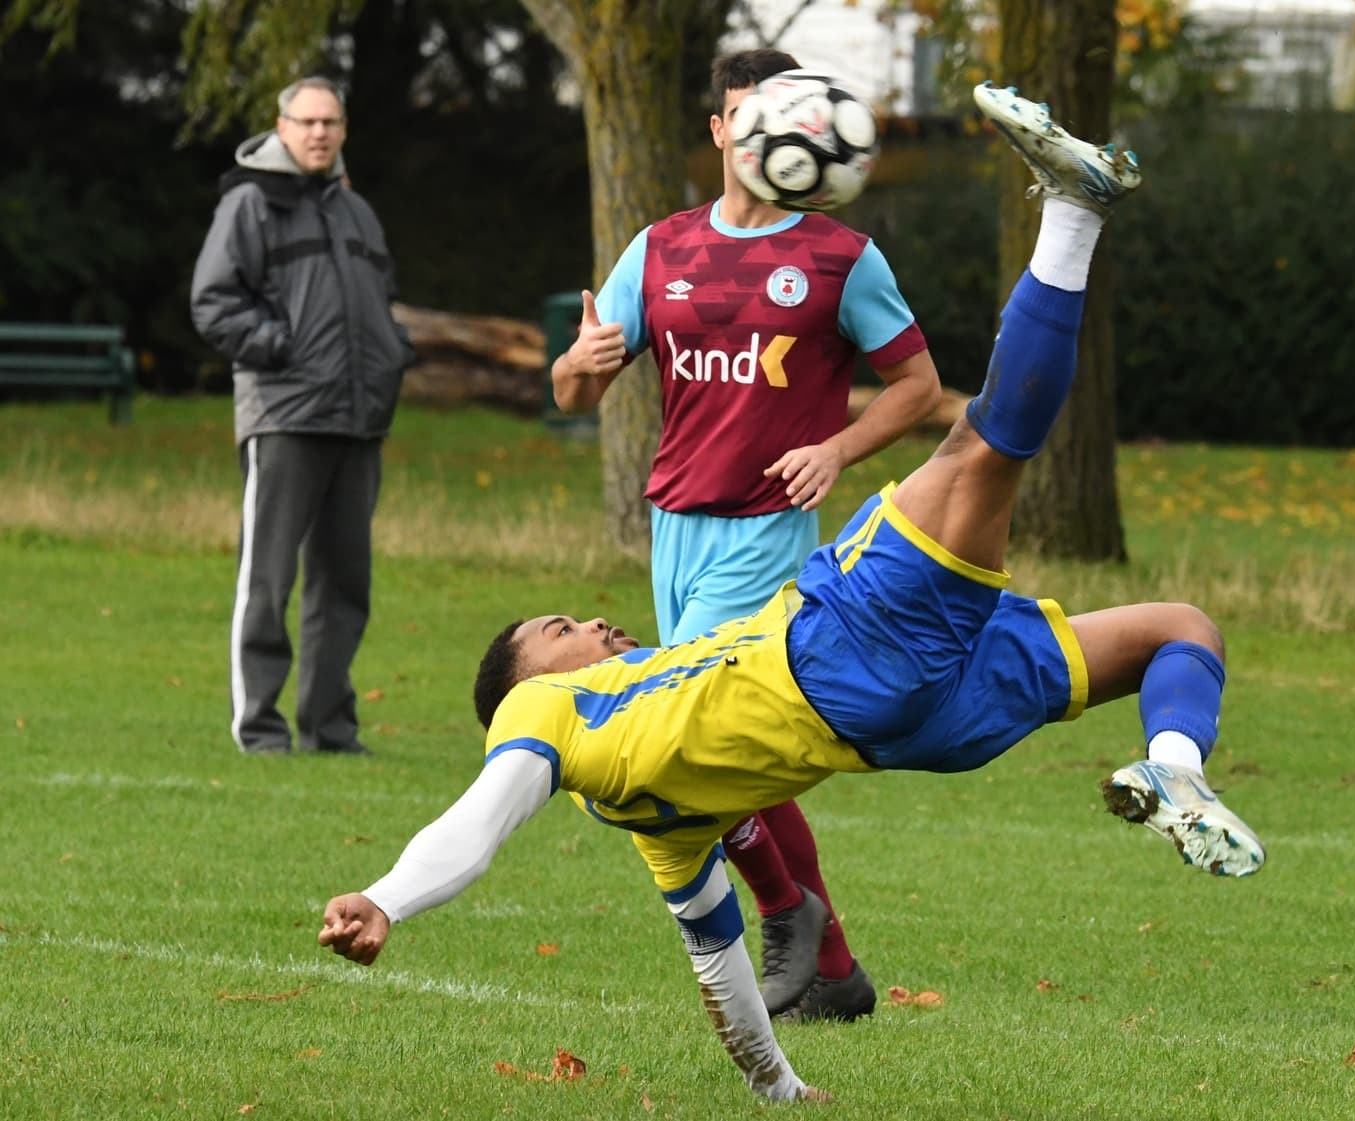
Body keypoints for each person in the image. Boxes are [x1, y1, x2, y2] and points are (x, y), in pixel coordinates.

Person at [320, 85, 1265, 1102]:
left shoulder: (662, 828)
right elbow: (479, 817)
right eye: (558, 628)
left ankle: (1177, 766)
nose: (589, 620)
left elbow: (718, 965)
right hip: (840, 649)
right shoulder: (549, 711)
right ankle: (1074, 213)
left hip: (909, 726)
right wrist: (385, 897)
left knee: (1179, 629)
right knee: (984, 443)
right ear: (522, 688)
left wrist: (779, 1085)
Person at [549, 47, 944, 1022]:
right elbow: (571, 392)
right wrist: (583, 362)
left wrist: (837, 447)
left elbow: (922, 387)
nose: (763, 134)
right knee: (731, 746)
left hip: (766, 526)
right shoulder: (662, 248)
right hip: (672, 524)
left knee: (690, 740)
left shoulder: (840, 258)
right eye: (742, 117)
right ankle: (835, 967)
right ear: (722, 132)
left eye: (782, 115)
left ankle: (785, 917)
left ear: (809, 130)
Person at [190, 76, 415, 756]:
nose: (319, 132)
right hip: (285, 417)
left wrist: (391, 355)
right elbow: (213, 302)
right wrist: (283, 350)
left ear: (343, 131)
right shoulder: (250, 204)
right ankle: (258, 725)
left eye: (330, 122)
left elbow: (382, 301)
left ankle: (330, 727)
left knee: (344, 584)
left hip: (357, 419)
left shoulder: (357, 213)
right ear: (281, 127)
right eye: (306, 121)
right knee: (269, 577)